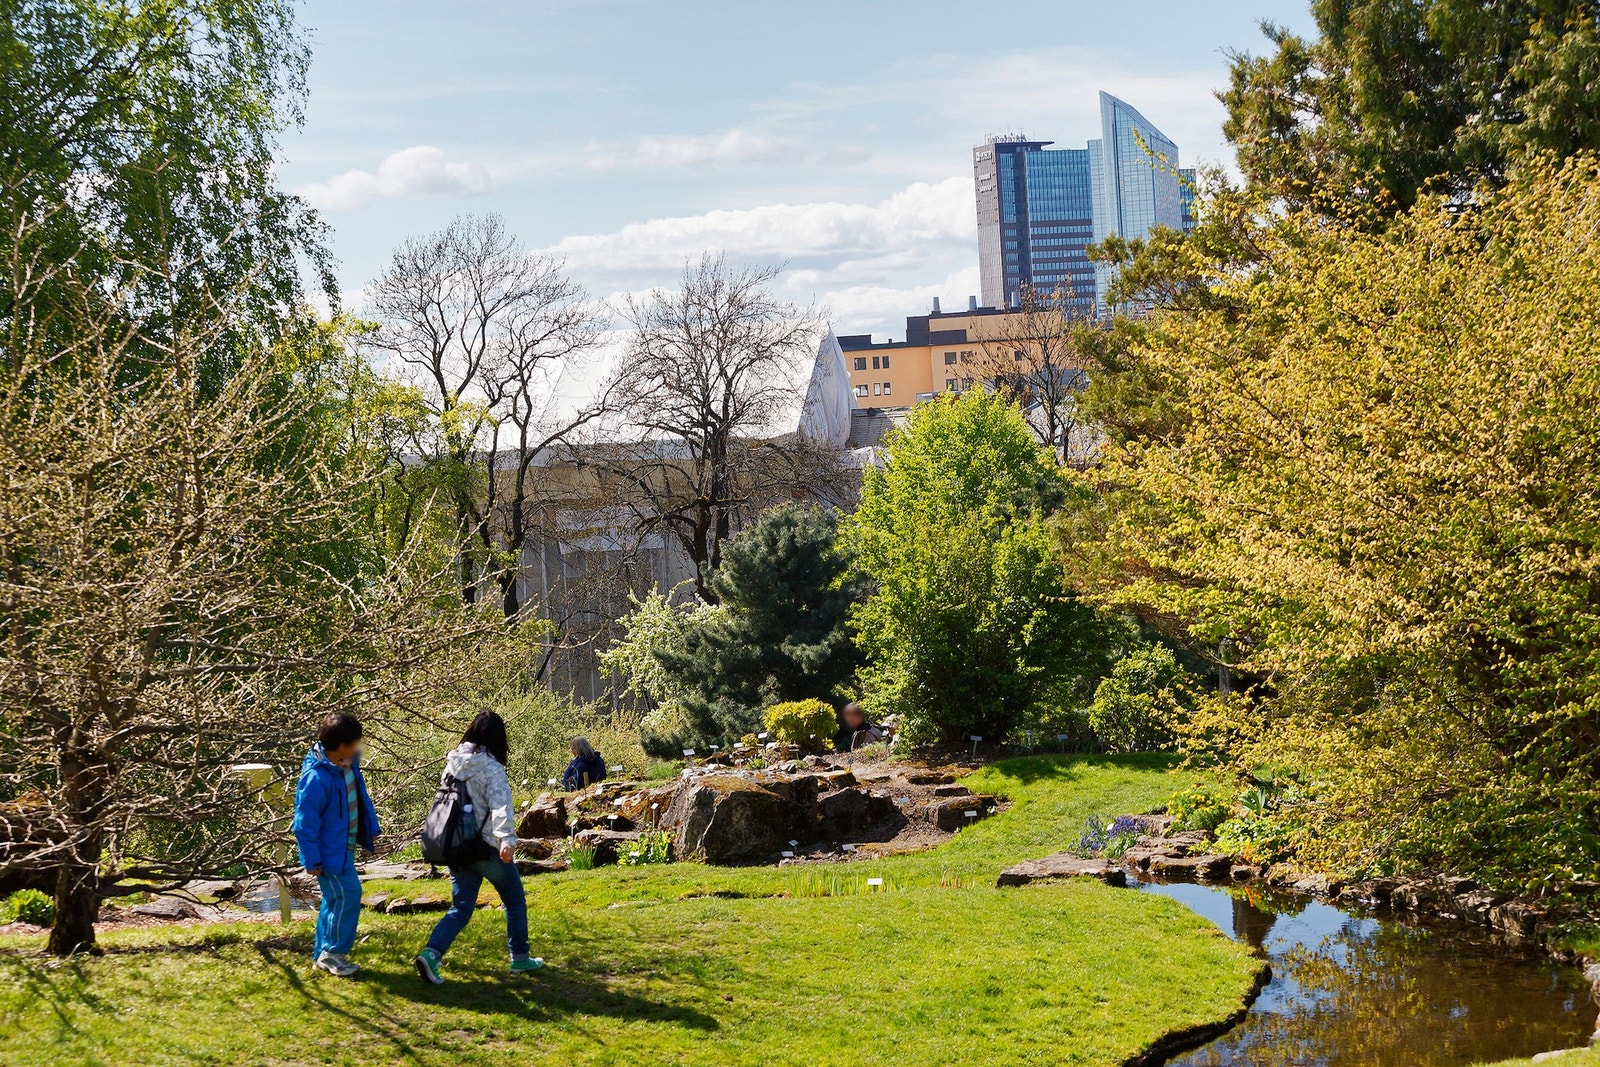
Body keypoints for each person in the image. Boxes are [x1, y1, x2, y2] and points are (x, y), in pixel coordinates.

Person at [414, 711, 543, 984]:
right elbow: (500, 807)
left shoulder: (452, 764)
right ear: (499, 739)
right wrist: (506, 840)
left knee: (461, 908)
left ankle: (431, 954)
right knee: (514, 900)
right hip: (486, 849)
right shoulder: (491, 768)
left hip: (457, 848)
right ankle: (520, 958)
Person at [293, 712, 380, 978]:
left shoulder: (347, 763)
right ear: (340, 745)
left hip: (344, 848)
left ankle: (322, 953)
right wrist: (312, 859)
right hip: (329, 855)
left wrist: (371, 828)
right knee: (348, 896)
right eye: (354, 742)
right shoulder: (315, 779)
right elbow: (303, 824)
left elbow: (360, 797)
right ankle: (334, 953)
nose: (358, 747)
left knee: (334, 900)